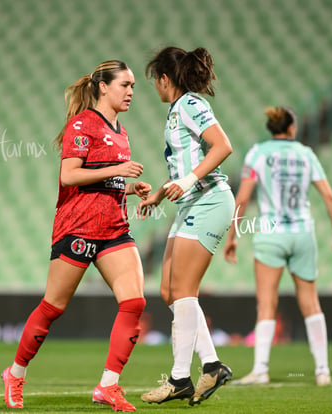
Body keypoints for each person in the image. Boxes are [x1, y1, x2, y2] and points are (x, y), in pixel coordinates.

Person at [1, 60, 151, 412]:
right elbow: (69, 175)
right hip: (78, 227)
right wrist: (119, 170)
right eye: (124, 85)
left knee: (134, 303)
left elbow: (101, 180)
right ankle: (15, 373)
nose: (130, 92)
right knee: (53, 307)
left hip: (114, 229)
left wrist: (128, 188)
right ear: (103, 87)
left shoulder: (121, 131)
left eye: (132, 87)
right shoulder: (82, 125)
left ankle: (108, 386)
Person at [138, 46, 235, 406]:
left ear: (165, 79)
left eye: (155, 81)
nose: (155, 88)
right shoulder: (177, 111)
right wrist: (162, 193)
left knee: (184, 290)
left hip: (209, 200)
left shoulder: (191, 105)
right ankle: (212, 364)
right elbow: (184, 167)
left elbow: (222, 146)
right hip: (189, 203)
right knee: (168, 291)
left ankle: (179, 378)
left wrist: (190, 179)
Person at [223, 106, 332, 386]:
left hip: (271, 232)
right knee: (311, 303)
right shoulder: (306, 154)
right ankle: (323, 371)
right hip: (303, 232)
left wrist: (232, 235)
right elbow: (328, 196)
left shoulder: (258, 153)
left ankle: (261, 369)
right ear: (292, 128)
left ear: (272, 128)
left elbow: (242, 197)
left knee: (267, 304)